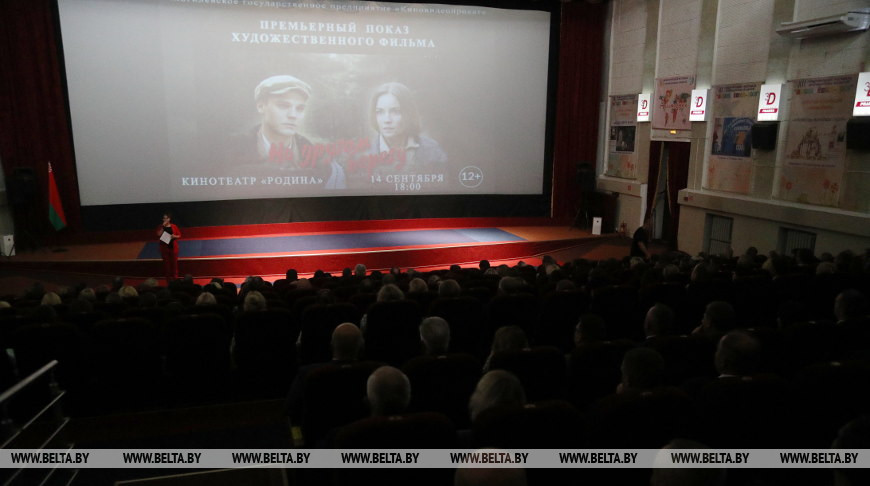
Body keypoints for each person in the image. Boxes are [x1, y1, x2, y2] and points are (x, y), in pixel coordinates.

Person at [226, 75, 345, 188]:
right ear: (261, 106)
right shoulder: (228, 152)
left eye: (300, 108)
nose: (293, 115)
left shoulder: (324, 164)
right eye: (283, 106)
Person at [355, 82, 447, 180]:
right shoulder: (362, 156)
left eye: (395, 111)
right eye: (380, 112)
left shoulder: (432, 150)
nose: (387, 120)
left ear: (408, 113)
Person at [157, 212, 181, 283]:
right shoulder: (160, 226)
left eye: (166, 218)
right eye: (163, 218)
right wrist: (163, 227)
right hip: (164, 249)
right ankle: (168, 281)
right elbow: (158, 234)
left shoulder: (174, 226)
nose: (164, 219)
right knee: (167, 266)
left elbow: (179, 235)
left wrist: (174, 236)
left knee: (174, 265)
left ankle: (175, 279)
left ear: (169, 219)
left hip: (173, 248)